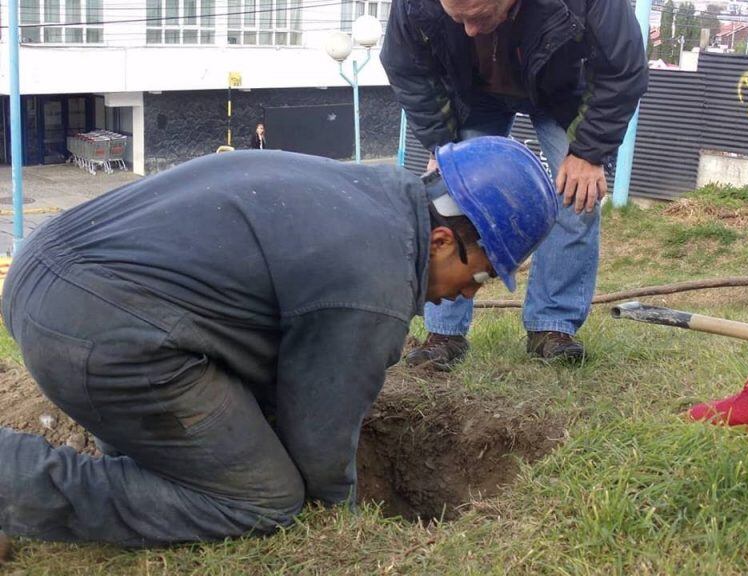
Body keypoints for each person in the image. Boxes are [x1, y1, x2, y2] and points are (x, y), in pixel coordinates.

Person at [0, 137, 556, 548]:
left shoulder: (376, 192)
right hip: (96, 326)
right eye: (483, 276)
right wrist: (341, 517)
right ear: (441, 240)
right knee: (264, 499)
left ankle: (153, 461)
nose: (468, 296)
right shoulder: (376, 284)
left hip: (50, 275)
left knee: (221, 445)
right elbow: (319, 442)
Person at [381, 0, 648, 368]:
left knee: (577, 195)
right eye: (457, 20)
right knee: (452, 199)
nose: (469, 31)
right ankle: (443, 331)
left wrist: (589, 153)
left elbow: (623, 68)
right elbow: (406, 67)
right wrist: (441, 142)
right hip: (472, 92)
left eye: (476, 17)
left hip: (563, 91)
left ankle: (552, 325)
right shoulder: (416, 4)